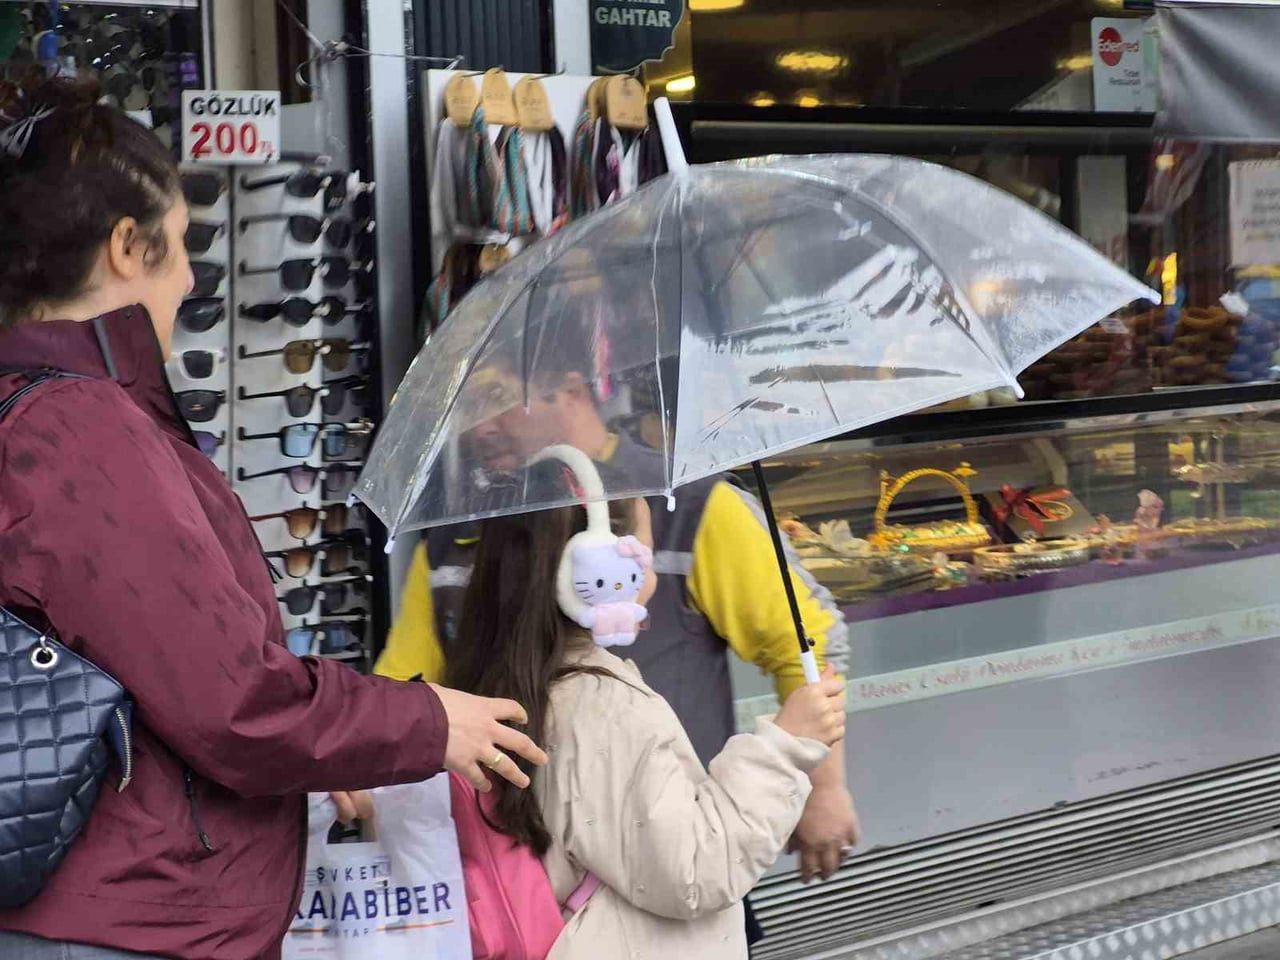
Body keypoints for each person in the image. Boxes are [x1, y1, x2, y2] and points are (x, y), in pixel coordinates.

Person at [0, 74, 545, 960]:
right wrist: (428, 723)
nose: (188, 281)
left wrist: (332, 752)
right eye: (182, 248)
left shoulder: (34, 410)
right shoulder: (80, 429)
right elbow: (233, 703)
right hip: (125, 923)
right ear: (126, 248)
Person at [378, 343, 861, 949]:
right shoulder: (453, 542)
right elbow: (401, 691)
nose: (480, 425)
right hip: (547, 888)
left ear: (572, 390)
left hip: (667, 844)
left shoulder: (695, 506)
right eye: (468, 406)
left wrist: (824, 786)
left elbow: (807, 640)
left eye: (497, 398)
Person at [446, 484, 848, 959]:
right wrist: (785, 747)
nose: (650, 580)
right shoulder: (604, 709)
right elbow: (695, 871)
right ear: (599, 573)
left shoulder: (486, 683)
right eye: (644, 559)